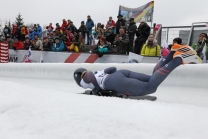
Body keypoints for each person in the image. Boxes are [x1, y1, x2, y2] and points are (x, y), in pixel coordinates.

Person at [73, 43, 200, 96]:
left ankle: (178, 59)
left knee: (150, 87)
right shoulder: (98, 72)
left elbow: (88, 75)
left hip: (113, 82)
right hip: (120, 73)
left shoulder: (85, 81)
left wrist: (95, 90)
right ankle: (172, 53)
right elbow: (112, 68)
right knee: (151, 78)